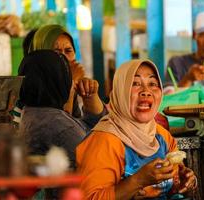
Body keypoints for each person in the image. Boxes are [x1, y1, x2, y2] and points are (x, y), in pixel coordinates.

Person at [76, 59, 197, 199]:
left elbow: (170, 188)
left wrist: (182, 182)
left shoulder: (162, 136)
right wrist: (138, 181)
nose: (146, 91)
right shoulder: (105, 140)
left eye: (153, 84)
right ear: (121, 91)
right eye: (135, 83)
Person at [19, 50, 105, 168]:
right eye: (66, 75)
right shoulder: (55, 123)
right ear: (58, 79)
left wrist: (90, 96)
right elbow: (97, 160)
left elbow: (88, 128)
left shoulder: (33, 112)